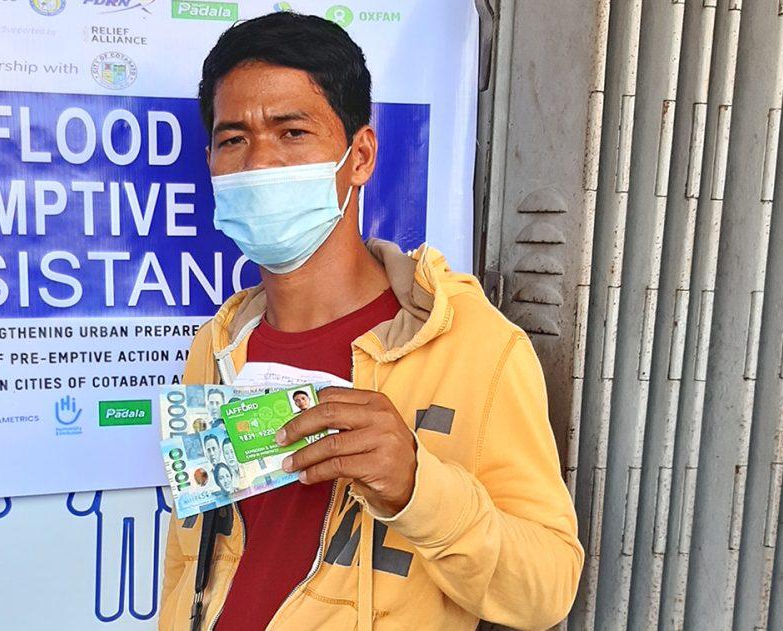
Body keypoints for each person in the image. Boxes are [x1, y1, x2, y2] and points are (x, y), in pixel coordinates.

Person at [159, 12, 582, 631]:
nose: (259, 163)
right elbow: (188, 554)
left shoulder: (476, 349)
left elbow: (548, 590)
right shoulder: (219, 345)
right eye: (233, 140)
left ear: (359, 156)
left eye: (292, 132)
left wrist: (418, 488)